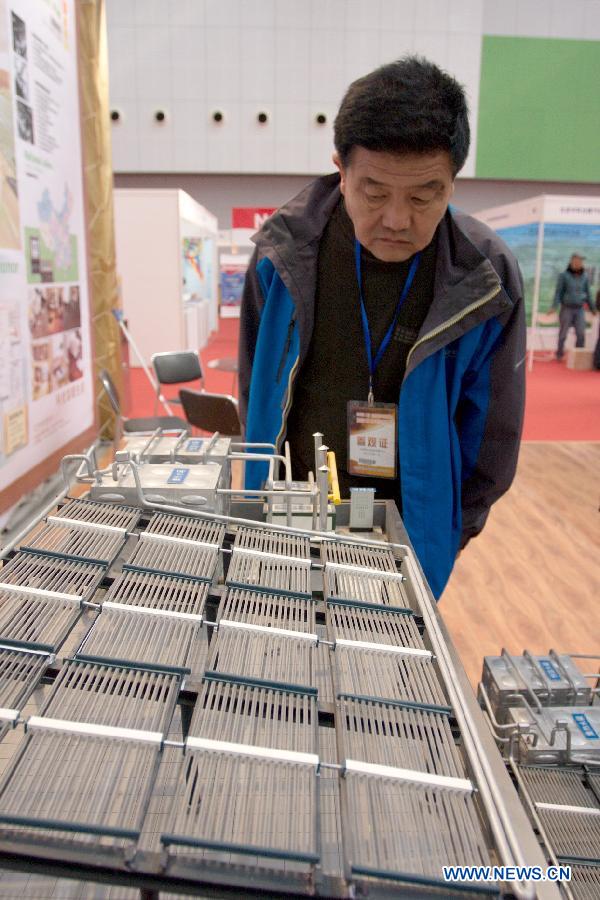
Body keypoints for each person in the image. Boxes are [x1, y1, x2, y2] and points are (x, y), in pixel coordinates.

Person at [239, 56, 526, 599]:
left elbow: (491, 437)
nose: (397, 218)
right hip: (285, 521)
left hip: (407, 545)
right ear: (340, 170)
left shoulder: (485, 276)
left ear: (453, 182)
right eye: (374, 192)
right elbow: (255, 385)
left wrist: (444, 533)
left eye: (424, 196)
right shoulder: (282, 253)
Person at [551, 254, 595, 360]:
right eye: (577, 261)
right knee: (563, 333)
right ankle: (559, 354)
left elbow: (588, 294)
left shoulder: (585, 277)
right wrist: (554, 306)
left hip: (580, 309)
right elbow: (558, 292)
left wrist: (593, 309)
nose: (579, 263)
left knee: (581, 333)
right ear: (572, 261)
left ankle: (578, 356)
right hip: (566, 308)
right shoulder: (564, 275)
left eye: (581, 261)